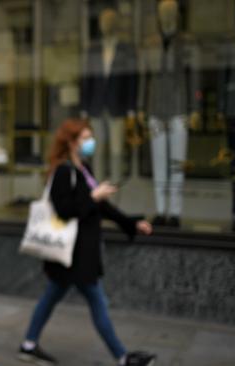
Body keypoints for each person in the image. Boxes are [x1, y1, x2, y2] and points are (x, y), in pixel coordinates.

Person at [18, 120, 156, 366]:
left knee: (52, 296)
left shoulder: (84, 168)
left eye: (90, 137)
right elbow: (64, 210)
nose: (90, 142)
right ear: (71, 142)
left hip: (78, 251)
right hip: (74, 252)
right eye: (85, 138)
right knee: (96, 300)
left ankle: (28, 345)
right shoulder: (63, 171)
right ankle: (123, 357)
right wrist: (93, 196)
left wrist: (131, 223)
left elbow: (102, 207)